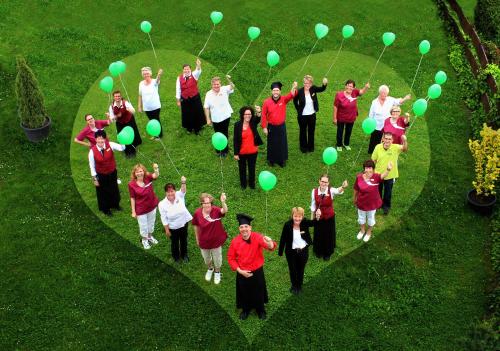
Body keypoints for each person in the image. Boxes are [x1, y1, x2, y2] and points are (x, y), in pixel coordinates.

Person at [227, 214, 277, 320]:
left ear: (250, 227)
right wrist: (240, 271)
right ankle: (246, 309)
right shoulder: (235, 241)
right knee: (244, 292)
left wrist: (269, 242)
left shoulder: (257, 237)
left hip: (257, 271)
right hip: (242, 272)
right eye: (241, 227)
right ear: (239, 229)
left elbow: (270, 247)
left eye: (246, 226)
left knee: (258, 291)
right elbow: (231, 258)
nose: (244, 229)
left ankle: (260, 310)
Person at [191, 193, 228, 285]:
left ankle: (217, 272)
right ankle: (210, 269)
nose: (207, 205)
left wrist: (223, 202)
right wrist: (197, 238)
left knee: (217, 259)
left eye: (209, 203)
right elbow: (195, 226)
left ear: (211, 203)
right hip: (204, 241)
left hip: (216, 241)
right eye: (204, 203)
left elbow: (225, 210)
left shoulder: (216, 210)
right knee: (206, 258)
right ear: (201, 204)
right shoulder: (197, 213)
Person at [353, 159, 392, 242]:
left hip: (372, 204)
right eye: (366, 168)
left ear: (373, 169)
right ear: (364, 169)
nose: (368, 170)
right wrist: (354, 198)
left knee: (370, 218)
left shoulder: (376, 177)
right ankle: (362, 230)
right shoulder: (359, 177)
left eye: (370, 168)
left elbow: (383, 175)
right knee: (361, 217)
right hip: (361, 203)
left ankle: (369, 232)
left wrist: (388, 169)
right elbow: (356, 189)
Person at [310, 175, 348, 260]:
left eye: (326, 182)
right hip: (318, 217)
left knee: (328, 235)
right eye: (322, 181)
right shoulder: (314, 191)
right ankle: (318, 251)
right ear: (319, 181)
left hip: (329, 218)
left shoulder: (331, 190)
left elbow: (338, 191)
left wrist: (343, 186)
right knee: (318, 234)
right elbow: (313, 206)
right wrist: (312, 220)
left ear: (328, 183)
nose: (324, 183)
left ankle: (327, 253)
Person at [88, 130, 125, 216]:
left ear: (105, 139)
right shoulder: (92, 151)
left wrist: (123, 140)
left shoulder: (110, 145)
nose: (100, 141)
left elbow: (122, 148)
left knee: (114, 189)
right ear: (95, 139)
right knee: (103, 192)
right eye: (98, 139)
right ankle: (106, 209)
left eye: (102, 139)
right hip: (101, 175)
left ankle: (116, 205)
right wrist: (95, 179)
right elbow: (92, 166)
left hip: (112, 172)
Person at [261, 81, 298, 167]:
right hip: (271, 126)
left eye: (277, 90)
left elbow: (292, 94)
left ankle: (282, 160)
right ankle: (271, 160)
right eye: (274, 90)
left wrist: (294, 86)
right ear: (271, 91)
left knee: (282, 143)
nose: (275, 92)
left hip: (281, 126)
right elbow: (263, 114)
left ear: (280, 91)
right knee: (272, 143)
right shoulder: (266, 102)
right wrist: (264, 127)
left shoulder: (284, 99)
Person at [278, 207, 314, 295]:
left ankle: (299, 285)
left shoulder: (305, 222)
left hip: (303, 251)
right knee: (292, 269)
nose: (297, 218)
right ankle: (294, 285)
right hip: (291, 252)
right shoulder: (287, 225)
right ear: (292, 216)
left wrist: (317, 215)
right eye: (295, 216)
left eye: (299, 216)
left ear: (302, 216)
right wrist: (280, 251)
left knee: (300, 269)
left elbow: (314, 223)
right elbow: (283, 238)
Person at [372, 132, 408, 215]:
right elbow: (373, 160)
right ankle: (378, 205)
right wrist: (373, 172)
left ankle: (386, 207)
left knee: (388, 193)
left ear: (392, 140)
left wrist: (405, 141)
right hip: (379, 174)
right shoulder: (378, 147)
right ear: (383, 139)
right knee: (378, 191)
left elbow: (405, 149)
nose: (387, 140)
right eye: (386, 138)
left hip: (390, 175)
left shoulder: (395, 147)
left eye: (389, 139)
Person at [367, 85, 411, 154]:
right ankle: (372, 152)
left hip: (387, 126)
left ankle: (382, 153)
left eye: (386, 94)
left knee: (384, 140)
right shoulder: (374, 102)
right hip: (376, 125)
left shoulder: (390, 99)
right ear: (380, 93)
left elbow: (399, 102)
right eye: (383, 93)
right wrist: (370, 124)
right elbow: (371, 114)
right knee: (374, 140)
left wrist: (405, 98)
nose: (384, 95)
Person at [158, 176, 193, 263]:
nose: (170, 194)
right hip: (173, 227)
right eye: (168, 192)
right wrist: (167, 230)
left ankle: (184, 255)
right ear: (165, 193)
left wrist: (183, 182)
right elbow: (164, 218)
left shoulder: (179, 195)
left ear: (175, 191)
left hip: (183, 224)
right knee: (174, 243)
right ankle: (176, 256)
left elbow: (183, 190)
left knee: (184, 240)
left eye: (172, 191)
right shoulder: (162, 204)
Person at [293, 75, 328, 153]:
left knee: (311, 131)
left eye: (308, 83)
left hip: (312, 115)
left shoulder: (313, 89)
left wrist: (324, 84)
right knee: (303, 131)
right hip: (302, 116)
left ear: (311, 83)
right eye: (305, 83)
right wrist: (298, 109)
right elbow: (294, 100)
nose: (307, 85)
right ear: (303, 83)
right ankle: (303, 147)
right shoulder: (299, 91)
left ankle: (311, 147)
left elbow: (322, 89)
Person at [128, 163, 160, 250]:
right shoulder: (131, 184)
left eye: (141, 171)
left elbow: (156, 175)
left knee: (151, 223)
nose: (139, 173)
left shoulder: (148, 178)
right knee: (143, 226)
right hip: (141, 209)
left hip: (152, 206)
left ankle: (150, 236)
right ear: (134, 173)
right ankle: (144, 240)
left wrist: (156, 168)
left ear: (144, 171)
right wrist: (133, 211)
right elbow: (132, 198)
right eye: (137, 172)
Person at [333, 79, 370, 151]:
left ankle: (346, 144)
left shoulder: (354, 92)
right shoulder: (339, 94)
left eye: (351, 86)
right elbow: (335, 106)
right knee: (340, 131)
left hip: (351, 117)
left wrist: (366, 87)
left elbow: (361, 92)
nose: (350, 88)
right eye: (348, 86)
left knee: (348, 131)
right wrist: (334, 118)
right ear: (345, 86)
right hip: (341, 117)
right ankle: (339, 145)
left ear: (353, 88)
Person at [233, 106, 263, 189]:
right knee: (242, 169)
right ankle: (243, 184)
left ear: (251, 115)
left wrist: (259, 111)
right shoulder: (237, 125)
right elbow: (235, 139)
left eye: (249, 114)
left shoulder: (253, 122)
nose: (247, 116)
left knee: (252, 168)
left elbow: (258, 119)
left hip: (253, 152)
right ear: (242, 115)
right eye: (245, 114)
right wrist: (236, 153)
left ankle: (252, 184)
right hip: (241, 152)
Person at [204, 75, 235, 156]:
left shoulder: (224, 89)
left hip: (225, 116)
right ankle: (218, 150)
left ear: (220, 84)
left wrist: (228, 79)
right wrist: (208, 119)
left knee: (224, 133)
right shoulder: (208, 94)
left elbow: (232, 86)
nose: (216, 86)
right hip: (215, 118)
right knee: (217, 134)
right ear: (212, 85)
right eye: (214, 84)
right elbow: (206, 107)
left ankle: (225, 150)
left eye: (218, 84)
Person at [108, 90, 142, 157]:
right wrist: (112, 117)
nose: (117, 97)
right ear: (113, 97)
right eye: (116, 96)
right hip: (120, 122)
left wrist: (129, 109)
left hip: (129, 120)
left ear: (121, 96)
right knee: (122, 136)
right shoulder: (111, 106)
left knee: (131, 133)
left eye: (119, 96)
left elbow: (133, 111)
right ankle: (127, 150)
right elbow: (112, 119)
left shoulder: (125, 103)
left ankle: (133, 151)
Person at [176, 59, 206, 134]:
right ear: (183, 70)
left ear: (190, 69)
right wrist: (178, 100)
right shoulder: (179, 78)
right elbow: (178, 90)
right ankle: (189, 128)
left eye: (188, 69)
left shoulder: (194, 75)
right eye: (185, 69)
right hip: (185, 98)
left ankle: (197, 129)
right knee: (187, 113)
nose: (186, 70)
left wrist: (198, 64)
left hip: (195, 97)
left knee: (196, 112)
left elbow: (198, 70)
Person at [138, 66, 164, 138]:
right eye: (144, 74)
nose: (146, 75)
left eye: (147, 73)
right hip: (147, 108)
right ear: (142, 75)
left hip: (155, 106)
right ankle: (155, 134)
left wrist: (159, 74)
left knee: (156, 120)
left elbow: (157, 80)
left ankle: (159, 135)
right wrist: (139, 106)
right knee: (151, 121)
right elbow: (140, 95)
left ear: (150, 74)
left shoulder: (154, 81)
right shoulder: (141, 83)